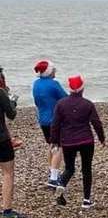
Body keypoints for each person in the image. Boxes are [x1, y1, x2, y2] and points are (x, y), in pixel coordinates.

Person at [50, 75, 106, 208]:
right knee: (87, 169)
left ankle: (61, 184)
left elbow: (55, 124)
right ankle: (86, 200)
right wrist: (101, 138)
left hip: (68, 141)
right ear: (82, 88)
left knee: (69, 168)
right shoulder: (87, 104)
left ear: (69, 89)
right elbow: (96, 122)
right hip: (86, 140)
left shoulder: (61, 104)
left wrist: (55, 141)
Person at [32, 60, 67, 188]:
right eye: (53, 70)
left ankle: (51, 171)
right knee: (58, 147)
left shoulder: (35, 84)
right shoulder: (53, 84)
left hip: (43, 119)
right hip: (54, 120)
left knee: (51, 145)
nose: (55, 72)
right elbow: (65, 98)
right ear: (49, 72)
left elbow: (36, 101)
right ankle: (53, 178)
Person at [0, 70, 25, 218]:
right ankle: (7, 211)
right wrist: (12, 103)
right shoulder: (1, 93)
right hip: (1, 139)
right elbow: (12, 114)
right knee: (8, 173)